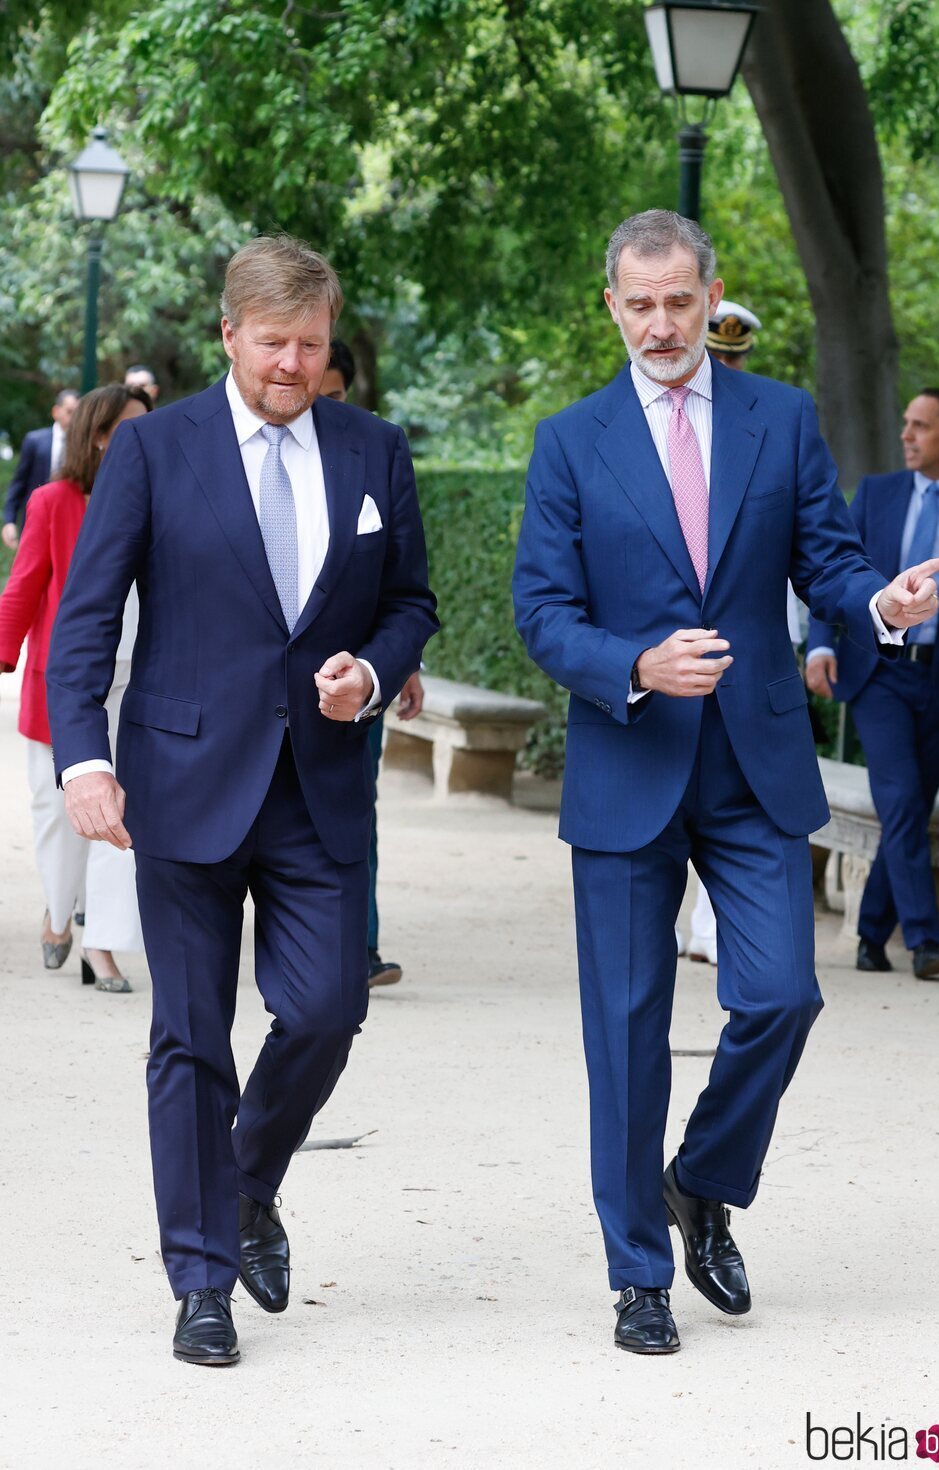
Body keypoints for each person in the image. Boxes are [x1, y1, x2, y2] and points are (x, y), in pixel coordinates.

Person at [512, 208, 939, 1356]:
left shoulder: (780, 416)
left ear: (712, 295)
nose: (659, 323)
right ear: (610, 305)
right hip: (626, 765)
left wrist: (878, 604)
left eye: (678, 300)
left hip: (754, 764)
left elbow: (829, 558)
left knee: (781, 995)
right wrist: (633, 666)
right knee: (625, 1031)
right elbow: (540, 615)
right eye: (637, 302)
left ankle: (700, 1180)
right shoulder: (569, 441)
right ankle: (637, 1275)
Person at [46, 234, 438, 1367]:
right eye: (274, 344)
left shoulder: (374, 448)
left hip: (317, 791)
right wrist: (83, 758)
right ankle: (201, 1281)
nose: (293, 367)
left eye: (311, 347)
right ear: (229, 336)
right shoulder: (156, 450)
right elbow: (87, 616)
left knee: (324, 1011)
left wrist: (367, 669)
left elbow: (408, 599)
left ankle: (248, 1183)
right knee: (189, 1037)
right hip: (177, 784)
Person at [806, 389, 939, 979]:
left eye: (920, 426)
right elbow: (831, 569)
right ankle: (925, 941)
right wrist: (822, 643)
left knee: (908, 808)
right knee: (902, 799)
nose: (906, 434)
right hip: (879, 673)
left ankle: (871, 936)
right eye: (904, 423)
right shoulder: (877, 493)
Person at [0, 385, 149, 989]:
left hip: (138, 686)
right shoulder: (53, 501)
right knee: (58, 819)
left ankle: (103, 946)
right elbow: (25, 585)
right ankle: (59, 914)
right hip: (62, 690)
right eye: (131, 428)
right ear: (99, 436)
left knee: (123, 822)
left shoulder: (162, 498)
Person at [687, 297, 803, 966]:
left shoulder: (776, 422)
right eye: (719, 351)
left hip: (755, 654)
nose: (727, 365)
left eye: (734, 356)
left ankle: (709, 925)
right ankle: (686, 921)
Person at [319, 340, 425, 987]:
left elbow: (402, 584)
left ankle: (359, 947)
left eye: (332, 393)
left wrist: (398, 664)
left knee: (358, 803)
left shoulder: (377, 454)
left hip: (362, 682)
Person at [2, 390, 80, 549]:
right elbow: (19, 482)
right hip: (35, 520)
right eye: (70, 411)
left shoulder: (83, 445)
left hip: (68, 523)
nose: (74, 418)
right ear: (56, 411)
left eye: (78, 413)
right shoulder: (35, 440)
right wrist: (9, 521)